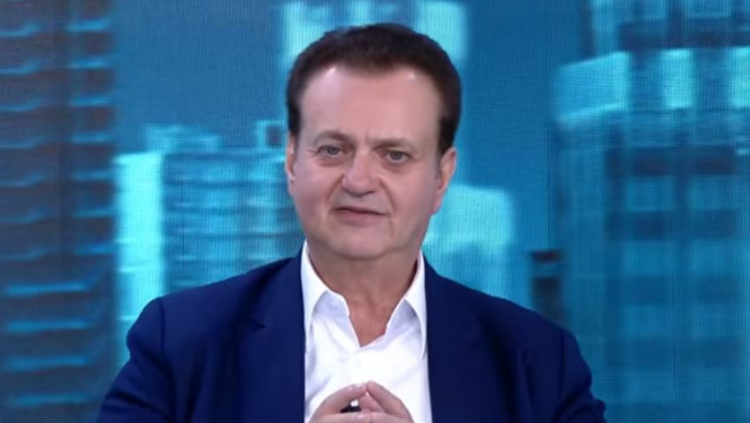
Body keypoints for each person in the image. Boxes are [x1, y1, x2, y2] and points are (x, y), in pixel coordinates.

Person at [98, 23, 606, 423]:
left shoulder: (537, 363)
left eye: (394, 155)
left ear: (441, 177)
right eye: (333, 150)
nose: (359, 180)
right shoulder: (179, 343)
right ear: (291, 161)